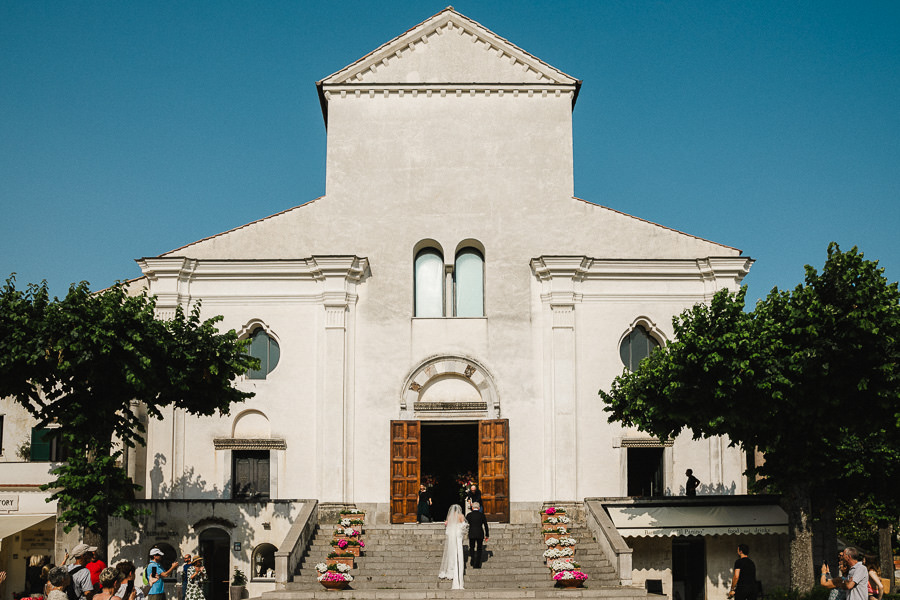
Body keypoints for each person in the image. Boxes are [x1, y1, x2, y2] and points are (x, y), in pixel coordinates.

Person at [438, 504, 467, 590]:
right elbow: (464, 525)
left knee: (451, 552)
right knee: (457, 552)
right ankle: (457, 567)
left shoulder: (450, 517)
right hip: (457, 536)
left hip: (451, 537)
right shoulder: (461, 516)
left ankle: (451, 568)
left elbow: (448, 527)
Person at [465, 502, 490, 569]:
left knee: (472, 547)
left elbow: (465, 525)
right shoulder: (482, 515)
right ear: (479, 508)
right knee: (479, 548)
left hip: (472, 533)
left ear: (472, 508)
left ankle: (473, 560)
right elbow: (486, 525)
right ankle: (478, 564)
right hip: (480, 533)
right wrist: (487, 535)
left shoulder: (469, 515)